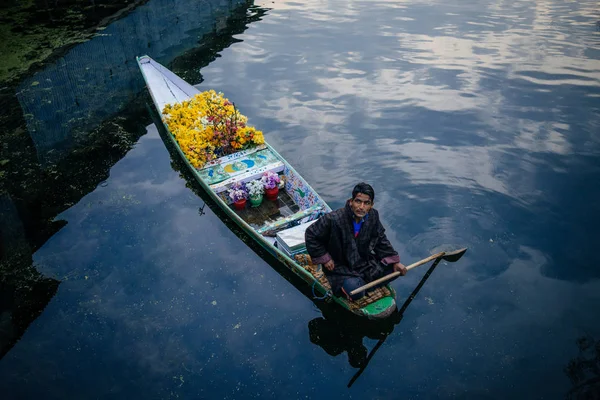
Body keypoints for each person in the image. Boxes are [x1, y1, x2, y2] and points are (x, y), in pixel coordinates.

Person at [305, 182, 407, 300]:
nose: (361, 207)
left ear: (371, 205)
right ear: (351, 201)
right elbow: (311, 234)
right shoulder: (334, 218)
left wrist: (394, 261)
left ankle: (359, 284)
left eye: (366, 203)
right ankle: (354, 285)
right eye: (358, 201)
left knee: (395, 270)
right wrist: (325, 257)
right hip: (340, 266)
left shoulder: (373, 216)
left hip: (363, 262)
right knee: (356, 292)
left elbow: (380, 239)